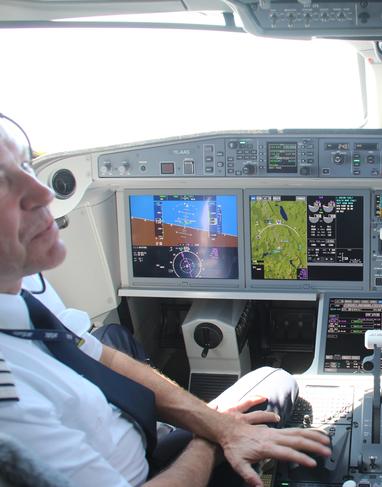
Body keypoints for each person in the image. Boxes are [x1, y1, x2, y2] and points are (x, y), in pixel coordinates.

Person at [0, 119, 331, 486]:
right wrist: (214, 437)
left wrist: (217, 421)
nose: (44, 194)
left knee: (110, 336)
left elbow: (96, 354)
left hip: (120, 432)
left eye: (26, 166)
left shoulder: (20, 279)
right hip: (150, 475)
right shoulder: (10, 407)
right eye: (2, 184)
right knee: (275, 379)